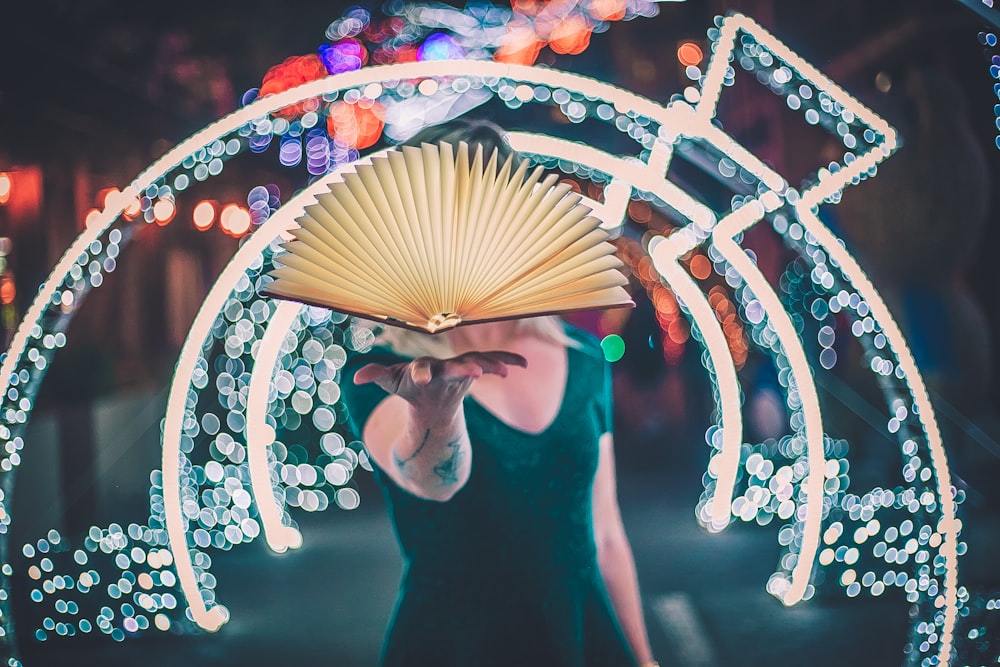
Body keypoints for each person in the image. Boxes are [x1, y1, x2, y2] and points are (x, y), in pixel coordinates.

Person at [341, 119, 657, 666]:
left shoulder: (583, 359)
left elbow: (605, 535)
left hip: (580, 640)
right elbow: (429, 480)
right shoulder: (385, 371)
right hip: (452, 646)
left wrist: (645, 660)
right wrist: (435, 414)